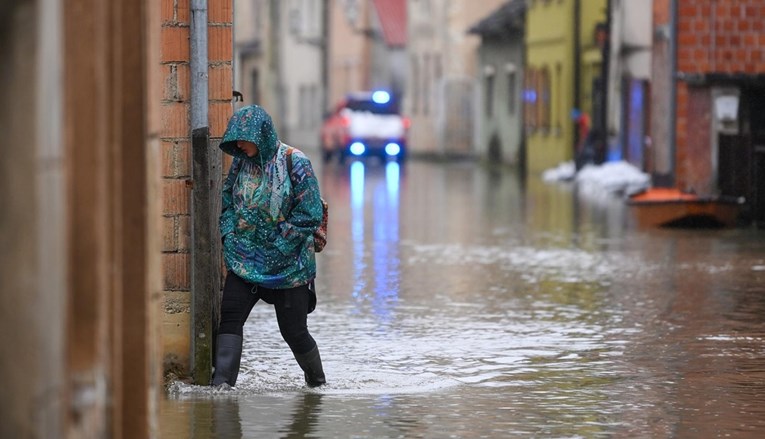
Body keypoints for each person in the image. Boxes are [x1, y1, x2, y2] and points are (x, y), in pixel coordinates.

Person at [212, 104, 326, 388]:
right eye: (235, 138)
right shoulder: (240, 163)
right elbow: (227, 203)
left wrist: (278, 245)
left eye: (244, 138)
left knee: (294, 331)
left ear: (261, 135)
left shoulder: (295, 162)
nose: (239, 144)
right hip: (244, 261)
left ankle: (317, 385)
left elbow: (309, 214)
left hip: (289, 268)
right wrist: (229, 236)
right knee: (230, 318)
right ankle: (221, 388)